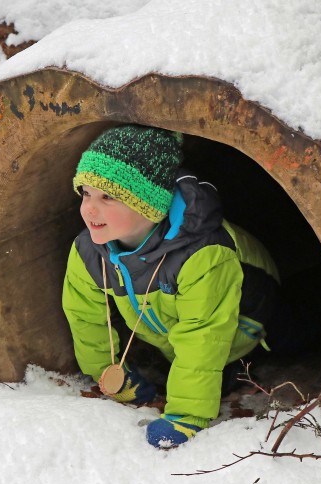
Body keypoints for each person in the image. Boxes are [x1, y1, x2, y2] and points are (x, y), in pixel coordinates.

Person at [62, 124, 295, 448]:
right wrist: (109, 373)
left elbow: (204, 334)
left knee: (294, 339)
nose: (89, 208)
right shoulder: (89, 252)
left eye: (107, 197)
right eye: (86, 193)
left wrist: (187, 415)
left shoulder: (201, 253)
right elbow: (85, 318)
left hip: (253, 317)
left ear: (147, 203)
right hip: (172, 335)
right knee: (203, 370)